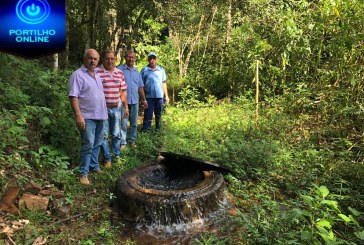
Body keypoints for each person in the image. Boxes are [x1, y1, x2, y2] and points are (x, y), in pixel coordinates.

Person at [69, 49, 107, 186]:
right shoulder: (77, 75)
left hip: (101, 115)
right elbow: (73, 96)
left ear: (98, 61)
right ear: (84, 59)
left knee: (97, 143)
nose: (93, 61)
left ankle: (94, 166)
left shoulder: (97, 74)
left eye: (95, 59)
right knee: (88, 144)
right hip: (87, 117)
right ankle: (83, 173)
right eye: (90, 58)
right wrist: (78, 116)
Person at [97, 49, 128, 168]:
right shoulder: (97, 72)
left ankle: (116, 155)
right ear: (103, 59)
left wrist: (126, 107)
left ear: (115, 59)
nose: (110, 61)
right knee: (103, 135)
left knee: (116, 134)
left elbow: (123, 91)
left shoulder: (119, 73)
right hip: (102, 109)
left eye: (112, 58)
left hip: (117, 108)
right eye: (107, 58)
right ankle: (107, 158)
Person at [118, 49, 148, 147]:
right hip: (123, 102)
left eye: (132, 57)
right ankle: (123, 142)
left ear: (134, 59)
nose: (131, 59)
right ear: (125, 58)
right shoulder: (120, 70)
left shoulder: (137, 72)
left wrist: (144, 99)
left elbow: (140, 87)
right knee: (123, 122)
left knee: (134, 123)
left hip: (135, 101)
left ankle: (132, 140)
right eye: (129, 57)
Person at [141, 52, 169, 131]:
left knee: (159, 115)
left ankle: (158, 130)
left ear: (156, 59)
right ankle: (146, 131)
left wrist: (166, 96)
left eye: (153, 58)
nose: (152, 60)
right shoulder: (144, 70)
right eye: (150, 58)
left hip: (159, 97)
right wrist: (142, 98)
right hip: (148, 97)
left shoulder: (161, 70)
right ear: (148, 60)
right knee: (148, 115)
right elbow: (141, 85)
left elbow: (164, 83)